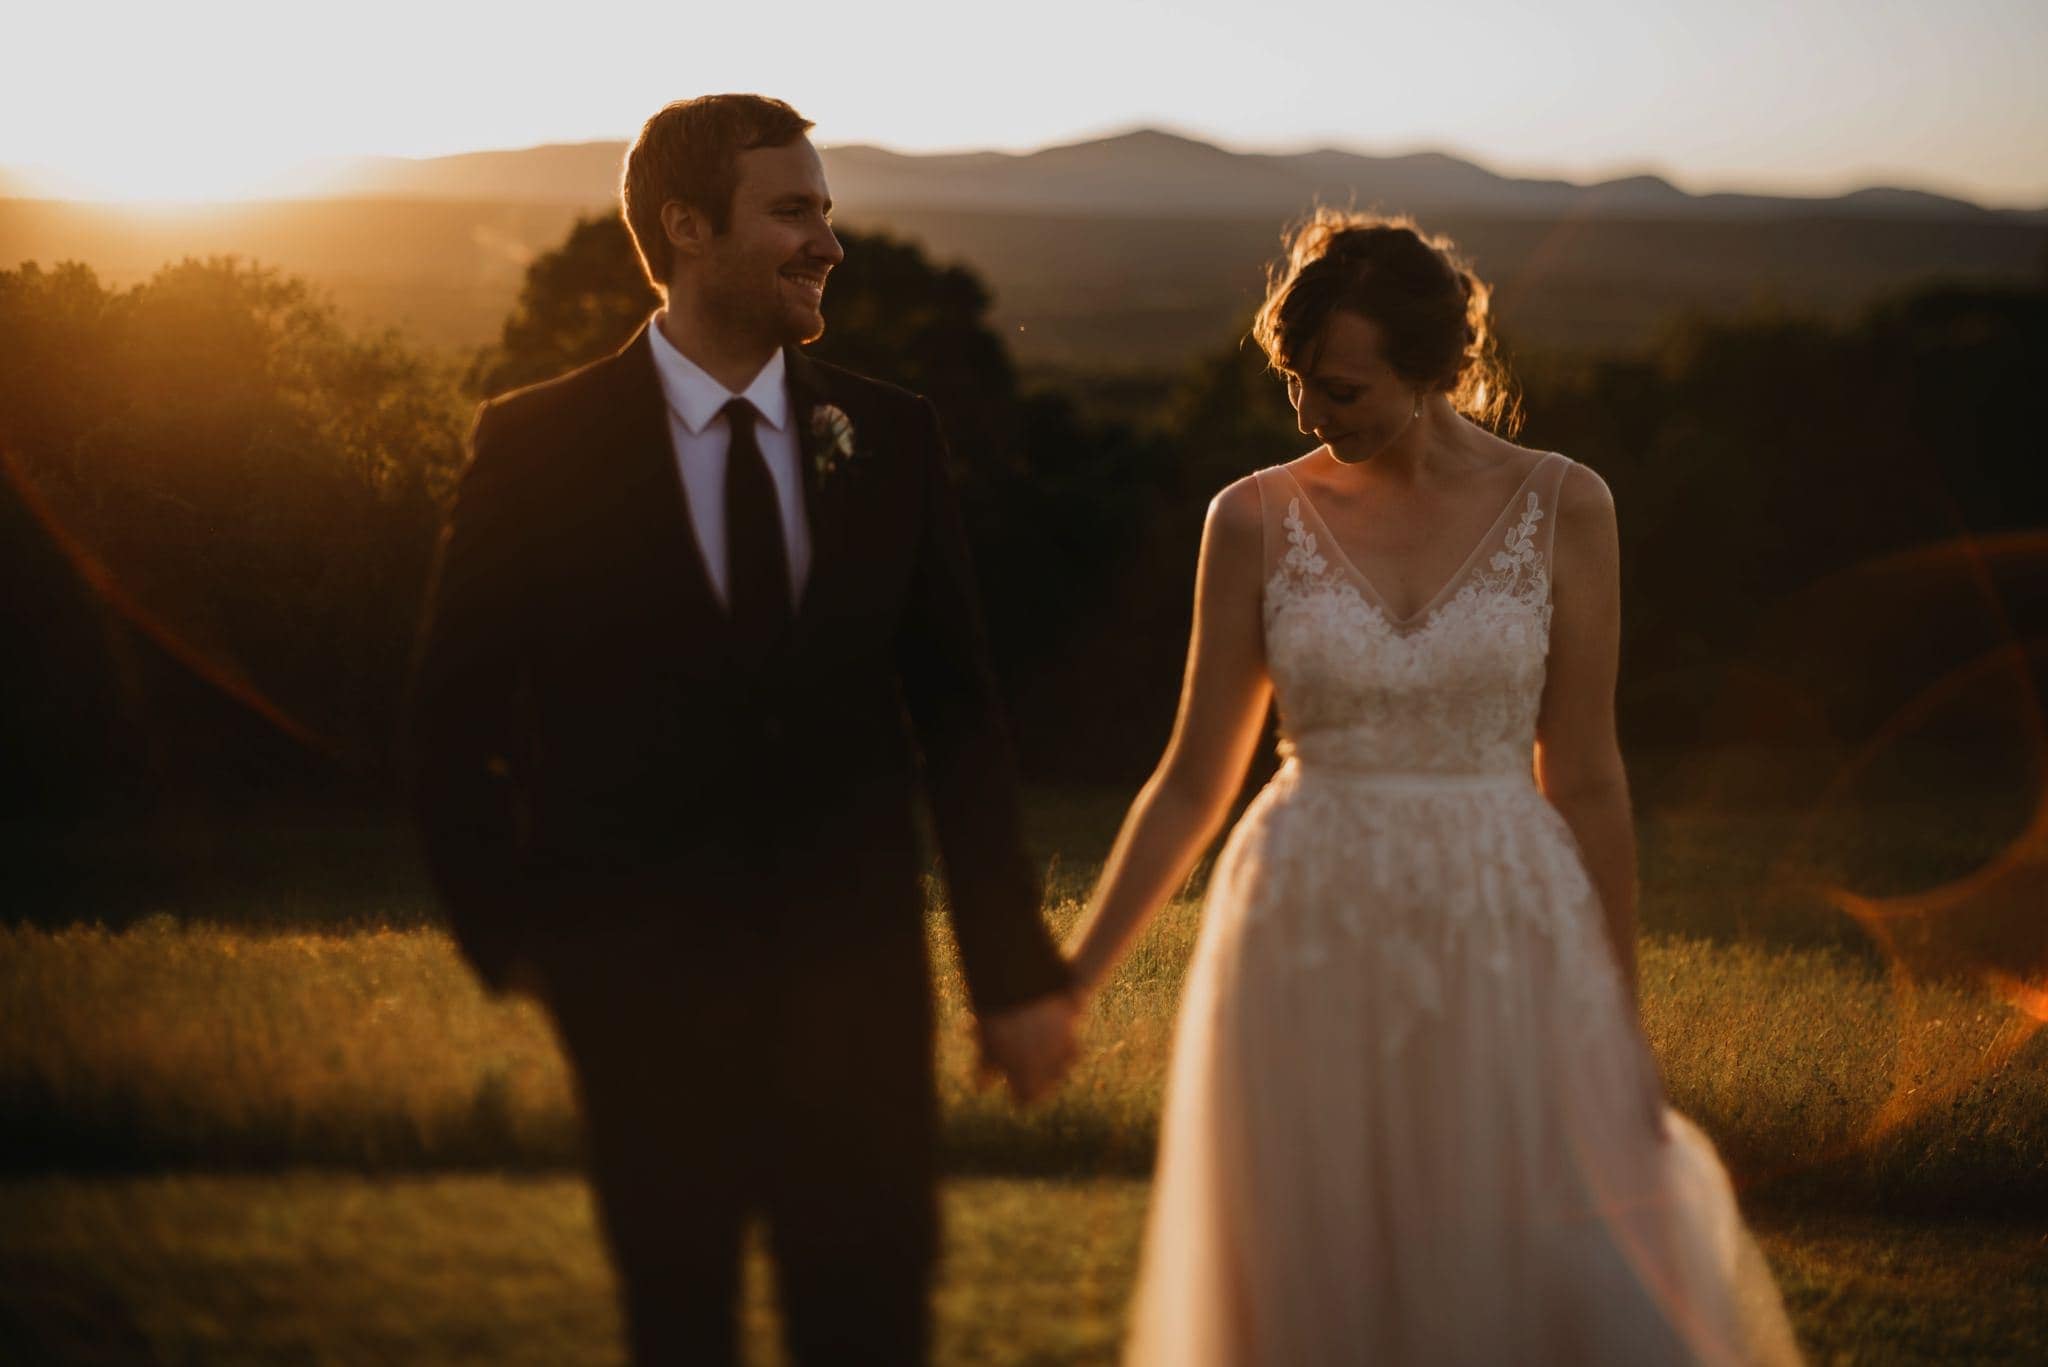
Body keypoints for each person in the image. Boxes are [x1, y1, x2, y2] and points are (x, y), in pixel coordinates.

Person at [405, 94, 1080, 1366]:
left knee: (869, 1326)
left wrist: (1010, 974)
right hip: (640, 1007)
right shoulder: (536, 443)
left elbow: (959, 719)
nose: (827, 241)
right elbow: (454, 723)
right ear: (685, 226)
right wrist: (529, 944)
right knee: (680, 1325)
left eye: (825, 211)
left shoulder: (889, 436)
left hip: (862, 1005)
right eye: (793, 212)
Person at [1063, 210, 1804, 1363]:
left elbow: (1591, 776)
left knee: (1519, 1238)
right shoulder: (1249, 516)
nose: (1311, 414)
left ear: (1440, 370)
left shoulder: (1568, 504)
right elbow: (1188, 782)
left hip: (1502, 916)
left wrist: (1619, 1022)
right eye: (1296, 382)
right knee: (1319, 1263)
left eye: (1343, 389)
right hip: (1301, 923)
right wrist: (1073, 980)